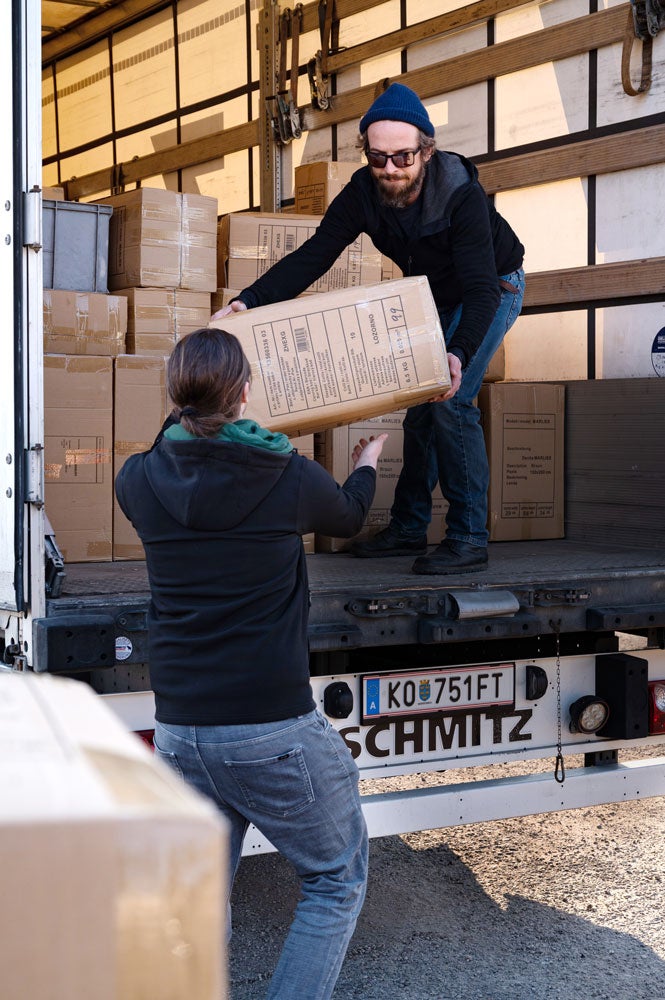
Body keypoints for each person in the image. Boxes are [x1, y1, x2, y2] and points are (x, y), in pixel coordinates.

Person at [115, 327, 387, 1000]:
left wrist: (186, 411)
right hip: (270, 728)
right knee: (334, 879)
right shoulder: (284, 475)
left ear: (175, 397)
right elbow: (348, 517)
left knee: (203, 893)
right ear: (242, 393)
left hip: (180, 729)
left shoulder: (138, 479)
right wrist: (368, 462)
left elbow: (165, 448)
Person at [213, 82, 525, 575]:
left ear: (426, 149)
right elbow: (314, 256)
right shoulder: (363, 192)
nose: (390, 171)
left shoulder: (459, 193)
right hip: (436, 297)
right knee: (421, 407)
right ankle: (408, 528)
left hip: (493, 289)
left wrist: (458, 354)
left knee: (452, 400)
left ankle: (468, 538)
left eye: (402, 158)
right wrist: (245, 303)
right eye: (378, 159)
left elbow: (482, 290)